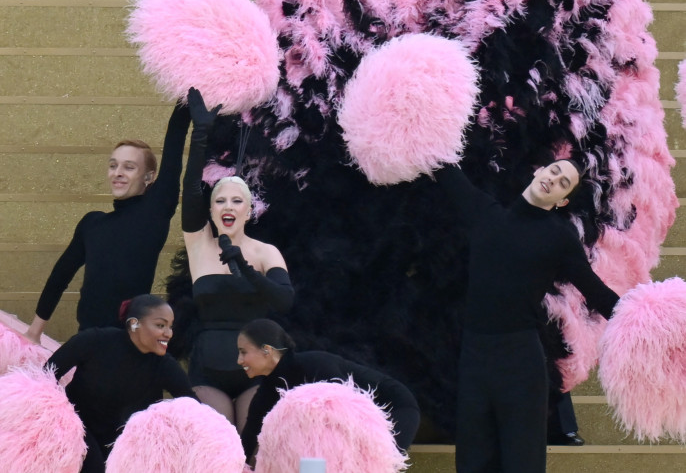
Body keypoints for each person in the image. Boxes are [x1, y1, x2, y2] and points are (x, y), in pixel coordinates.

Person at [436, 159, 619, 472]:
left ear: (562, 200)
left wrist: (646, 320)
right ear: (538, 171)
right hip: (474, 360)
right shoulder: (485, 214)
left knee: (523, 464)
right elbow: (442, 167)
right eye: (554, 171)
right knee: (472, 463)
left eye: (564, 183)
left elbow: (597, 292)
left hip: (521, 365)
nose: (554, 179)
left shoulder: (559, 236)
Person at [25, 99, 192, 343]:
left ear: (148, 177)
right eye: (113, 166)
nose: (118, 173)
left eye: (129, 167)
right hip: (88, 342)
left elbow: (176, 137)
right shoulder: (92, 224)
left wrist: (185, 96)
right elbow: (59, 277)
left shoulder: (155, 211)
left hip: (130, 345)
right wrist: (34, 332)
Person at [177, 89, 294, 431]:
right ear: (211, 211)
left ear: (248, 210)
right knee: (220, 445)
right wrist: (200, 133)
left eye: (236, 201)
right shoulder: (199, 244)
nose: (228, 206)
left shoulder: (265, 252)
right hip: (207, 367)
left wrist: (242, 266)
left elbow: (284, 300)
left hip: (256, 368)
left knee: (251, 447)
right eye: (220, 201)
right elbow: (190, 189)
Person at [44, 294, 198, 473]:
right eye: (160, 325)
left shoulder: (164, 365)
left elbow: (194, 408)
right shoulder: (95, 341)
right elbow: (44, 376)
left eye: (171, 327)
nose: (169, 333)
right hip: (76, 430)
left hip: (122, 444)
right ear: (134, 324)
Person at [237, 318, 420, 464]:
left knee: (374, 465)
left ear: (267, 350)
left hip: (395, 408)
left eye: (243, 352)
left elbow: (345, 420)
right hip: (357, 425)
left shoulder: (314, 365)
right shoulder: (266, 393)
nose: (239, 360)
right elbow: (246, 444)